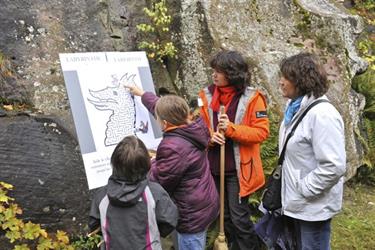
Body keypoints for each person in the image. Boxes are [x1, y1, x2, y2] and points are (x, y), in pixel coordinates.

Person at [125, 85, 220, 250]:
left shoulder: (173, 147)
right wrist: (142, 94)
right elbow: (164, 107)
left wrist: (151, 161)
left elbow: (159, 180)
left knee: (191, 245)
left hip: (191, 215)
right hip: (202, 201)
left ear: (165, 124)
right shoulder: (194, 126)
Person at [198, 50, 270, 250]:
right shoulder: (205, 95)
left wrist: (231, 129)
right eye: (214, 70)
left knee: (239, 217)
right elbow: (198, 126)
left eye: (219, 71)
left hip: (239, 171)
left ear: (232, 73)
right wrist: (209, 136)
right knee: (224, 216)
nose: (214, 75)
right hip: (212, 167)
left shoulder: (253, 98)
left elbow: (261, 133)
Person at [277, 52, 346, 249]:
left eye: (286, 77)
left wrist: (305, 189)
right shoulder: (294, 108)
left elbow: (334, 165)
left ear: (302, 81)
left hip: (312, 206)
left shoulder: (322, 115)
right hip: (295, 202)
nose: (281, 82)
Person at [89, 135, 178, 250]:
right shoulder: (155, 192)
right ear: (147, 165)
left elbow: (94, 225)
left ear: (114, 163)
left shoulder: (101, 196)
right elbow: (169, 221)